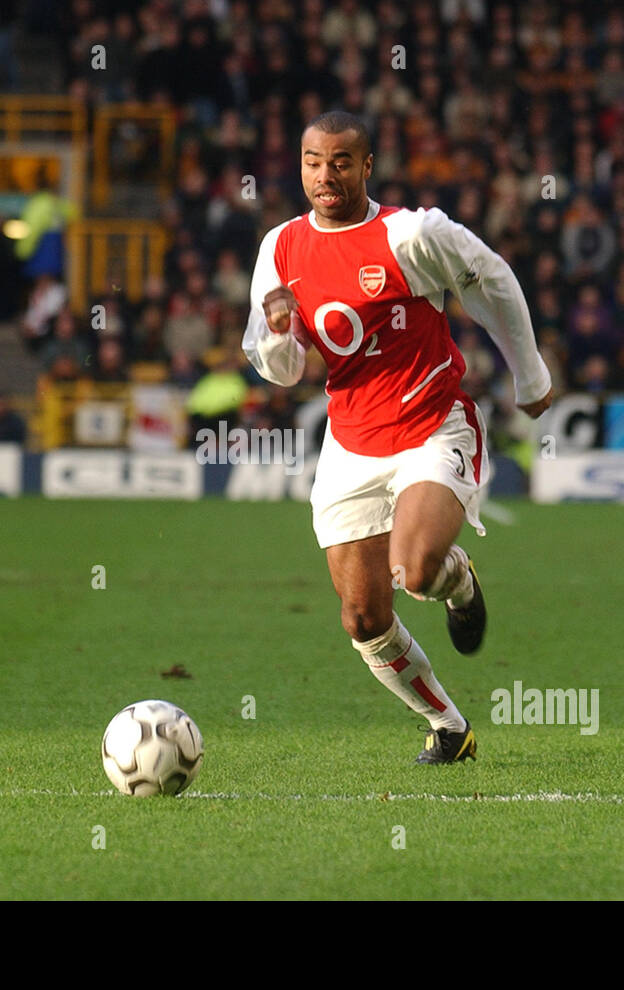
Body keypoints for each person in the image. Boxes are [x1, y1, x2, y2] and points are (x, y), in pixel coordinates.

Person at [242, 111, 553, 764]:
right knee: (361, 617)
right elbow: (282, 369)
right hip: (351, 444)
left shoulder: (412, 235)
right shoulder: (281, 248)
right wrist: (276, 329)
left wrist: (530, 376)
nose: (325, 175)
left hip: (431, 428)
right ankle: (449, 727)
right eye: (312, 161)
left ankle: (458, 582)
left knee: (414, 569)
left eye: (341, 161)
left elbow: (491, 278)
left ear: (367, 166)